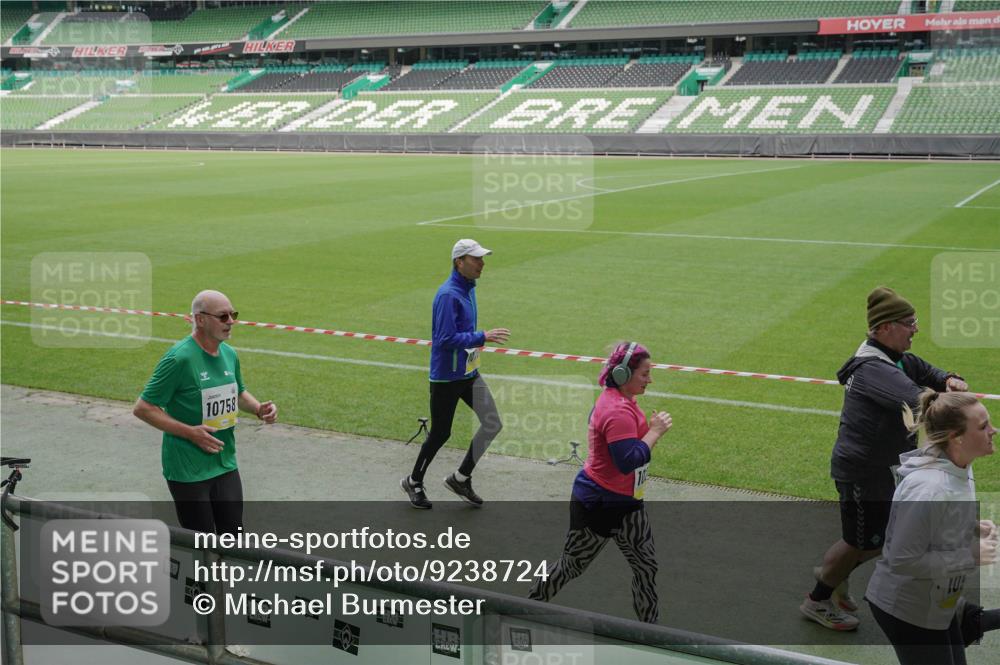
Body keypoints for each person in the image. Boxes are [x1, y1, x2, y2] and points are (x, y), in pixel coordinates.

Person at [801, 286, 968, 631]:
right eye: (910, 322)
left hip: (879, 469)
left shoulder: (895, 358)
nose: (916, 328)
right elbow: (921, 402)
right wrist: (962, 414)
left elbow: (923, 370)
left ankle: (834, 574)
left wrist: (948, 378)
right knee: (861, 541)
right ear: (886, 327)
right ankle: (818, 598)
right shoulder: (874, 369)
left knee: (884, 536)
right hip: (862, 472)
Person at [528, 341, 671, 623]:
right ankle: (526, 608)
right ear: (623, 374)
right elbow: (627, 461)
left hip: (628, 503)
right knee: (572, 565)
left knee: (646, 566)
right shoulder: (616, 410)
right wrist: (655, 432)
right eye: (644, 374)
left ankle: (650, 632)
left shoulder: (622, 400)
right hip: (599, 504)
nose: (650, 379)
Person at [866, 389, 1000, 665]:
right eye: (983, 426)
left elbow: (938, 518)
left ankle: (969, 619)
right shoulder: (929, 488)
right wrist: (970, 556)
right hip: (907, 611)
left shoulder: (960, 466)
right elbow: (902, 560)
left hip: (936, 602)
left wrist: (972, 525)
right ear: (956, 437)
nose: (994, 431)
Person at [133, 290, 277, 535]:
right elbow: (143, 408)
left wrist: (258, 408)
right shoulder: (179, 358)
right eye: (223, 316)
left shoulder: (229, 354)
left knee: (233, 537)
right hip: (188, 470)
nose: (231, 321)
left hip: (225, 462)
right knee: (203, 543)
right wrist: (190, 433)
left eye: (233, 315)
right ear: (200, 319)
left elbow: (238, 392)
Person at [401, 239, 509, 509]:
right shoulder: (448, 295)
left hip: (468, 373)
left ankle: (460, 478)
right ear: (459, 262)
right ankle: (413, 481)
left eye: (482, 258)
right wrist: (482, 336)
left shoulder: (468, 289)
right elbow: (444, 338)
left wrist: (475, 341)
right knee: (440, 433)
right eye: (476, 259)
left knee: (492, 422)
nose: (482, 263)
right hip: (446, 377)